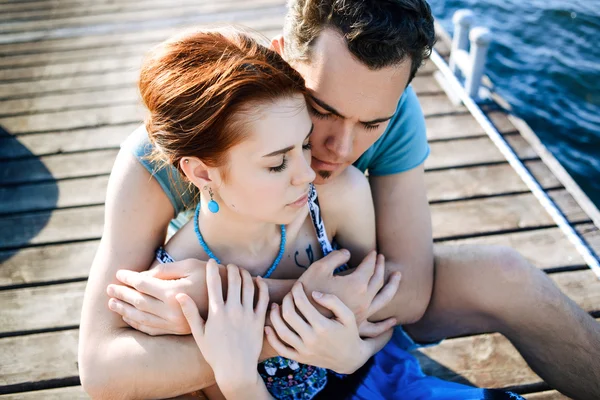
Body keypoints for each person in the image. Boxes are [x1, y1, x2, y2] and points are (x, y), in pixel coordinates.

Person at [78, 1, 600, 399]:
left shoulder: (387, 117)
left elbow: (409, 289)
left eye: (372, 122)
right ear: (284, 60)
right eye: (322, 110)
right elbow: (102, 368)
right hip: (231, 345)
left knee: (507, 273)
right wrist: (238, 320)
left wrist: (226, 299)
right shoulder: (163, 155)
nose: (340, 148)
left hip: (335, 298)